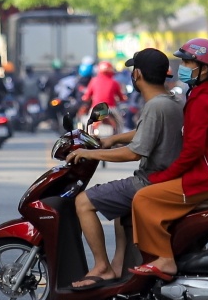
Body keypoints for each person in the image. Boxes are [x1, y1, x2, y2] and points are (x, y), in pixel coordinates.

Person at [65, 48, 182, 287]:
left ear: (137, 74)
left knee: (83, 202)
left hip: (150, 181)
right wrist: (113, 139)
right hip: (166, 178)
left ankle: (101, 266)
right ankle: (119, 264)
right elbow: (146, 132)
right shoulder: (172, 101)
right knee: (119, 208)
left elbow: (134, 153)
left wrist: (89, 153)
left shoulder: (155, 106)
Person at [127, 39, 208, 280]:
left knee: (144, 198)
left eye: (188, 62)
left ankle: (164, 259)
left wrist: (164, 176)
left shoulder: (202, 100)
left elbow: (192, 151)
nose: (183, 67)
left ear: (204, 69)